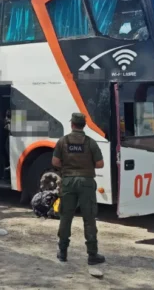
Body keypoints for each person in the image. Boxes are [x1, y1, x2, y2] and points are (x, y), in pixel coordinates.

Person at [52, 113, 106, 265]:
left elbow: (55, 161)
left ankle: (63, 252)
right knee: (89, 218)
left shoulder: (63, 141)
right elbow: (100, 164)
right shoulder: (90, 142)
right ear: (84, 125)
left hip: (68, 182)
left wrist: (67, 167)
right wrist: (86, 165)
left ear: (72, 125)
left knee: (66, 217)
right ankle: (92, 255)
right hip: (86, 183)